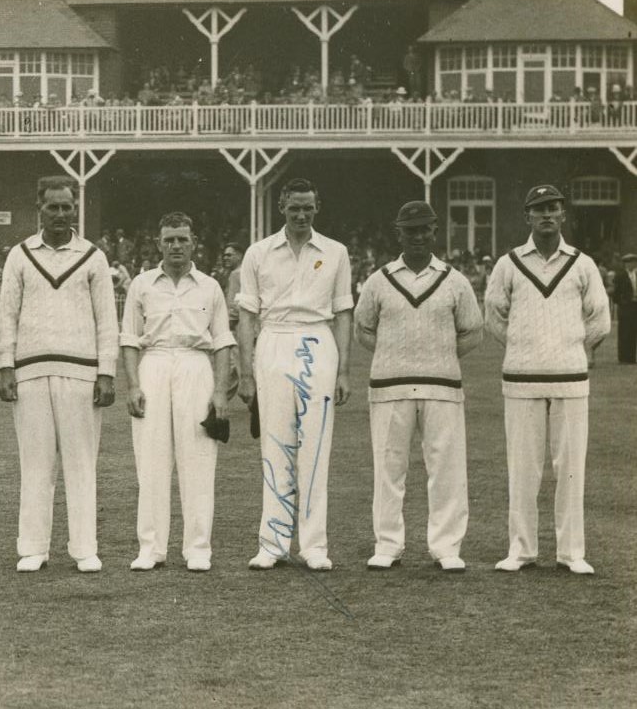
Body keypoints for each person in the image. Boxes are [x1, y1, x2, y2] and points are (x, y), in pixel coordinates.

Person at [485, 185, 610, 575]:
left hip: (571, 379)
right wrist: (526, 346)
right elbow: (494, 316)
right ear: (527, 216)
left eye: (553, 208)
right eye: (538, 209)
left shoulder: (582, 263)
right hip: (521, 379)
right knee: (522, 468)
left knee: (570, 467)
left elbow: (599, 319)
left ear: (563, 215)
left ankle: (571, 552)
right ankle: (521, 550)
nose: (546, 215)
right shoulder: (508, 263)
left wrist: (567, 347)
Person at [0, 177, 118, 573]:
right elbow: (7, 314)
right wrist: (5, 366)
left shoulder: (93, 256)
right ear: (39, 208)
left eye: (67, 207)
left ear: (75, 209)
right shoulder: (19, 254)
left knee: (81, 462)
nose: (61, 215)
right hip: (30, 372)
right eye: (54, 207)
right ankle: (33, 548)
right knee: (36, 463)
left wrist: (106, 373)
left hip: (81, 373)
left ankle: (84, 548)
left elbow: (107, 321)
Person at [353, 202, 484, 573]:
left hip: (442, 386)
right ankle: (388, 544)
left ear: (434, 232)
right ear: (399, 233)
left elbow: (473, 330)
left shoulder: (454, 280)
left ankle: (446, 547)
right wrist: (394, 355)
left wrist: (438, 355)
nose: (417, 236)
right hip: (389, 388)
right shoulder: (379, 280)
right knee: (388, 467)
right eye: (410, 230)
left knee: (446, 467)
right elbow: (364, 328)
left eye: (424, 230)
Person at [235, 178, 353, 571]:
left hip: (318, 343)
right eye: (294, 208)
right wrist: (247, 372)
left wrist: (344, 371)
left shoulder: (336, 252)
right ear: (281, 208)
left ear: (317, 208)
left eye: (308, 208)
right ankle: (272, 542)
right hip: (274, 343)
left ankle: (314, 545)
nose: (301, 215)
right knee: (275, 446)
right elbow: (248, 316)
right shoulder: (258, 253)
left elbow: (343, 313)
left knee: (315, 448)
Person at [120, 212, 234, 573]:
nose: (176, 246)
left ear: (194, 242)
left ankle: (198, 548)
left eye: (182, 239)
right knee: (151, 462)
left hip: (195, 365)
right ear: (158, 243)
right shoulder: (141, 285)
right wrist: (134, 385)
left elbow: (222, 342)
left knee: (198, 460)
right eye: (169, 240)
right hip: (153, 364)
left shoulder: (209, 286)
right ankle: (151, 548)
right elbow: (128, 338)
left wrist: (219, 393)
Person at [615, 252, 637, 364]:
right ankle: (623, 357)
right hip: (625, 306)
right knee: (624, 332)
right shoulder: (620, 276)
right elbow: (616, 292)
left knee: (633, 331)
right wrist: (621, 302)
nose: (630, 265)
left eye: (632, 262)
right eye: (627, 263)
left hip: (635, 306)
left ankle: (631, 357)